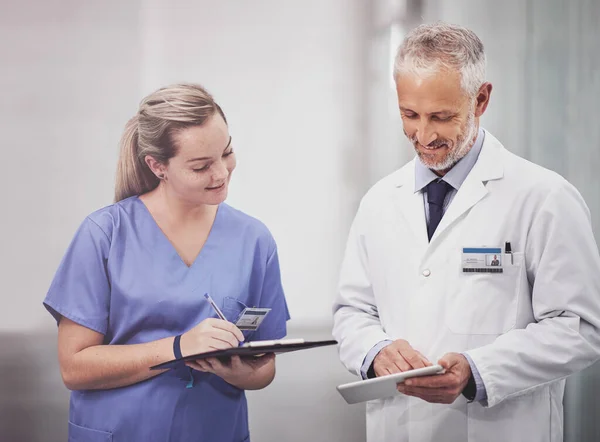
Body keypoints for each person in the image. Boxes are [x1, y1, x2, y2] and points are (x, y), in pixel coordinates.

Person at [332, 22, 600, 442]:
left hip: (503, 428)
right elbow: (352, 311)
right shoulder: (379, 201)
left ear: (481, 99)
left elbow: (579, 328)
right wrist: (374, 351)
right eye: (409, 114)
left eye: (442, 116)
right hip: (398, 426)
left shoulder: (545, 198)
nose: (424, 135)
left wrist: (478, 371)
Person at [43, 83, 290, 442]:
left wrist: (238, 372)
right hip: (122, 430)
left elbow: (265, 367)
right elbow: (74, 367)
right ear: (158, 166)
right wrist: (178, 347)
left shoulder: (254, 240)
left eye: (227, 152)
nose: (221, 173)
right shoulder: (104, 234)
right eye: (201, 166)